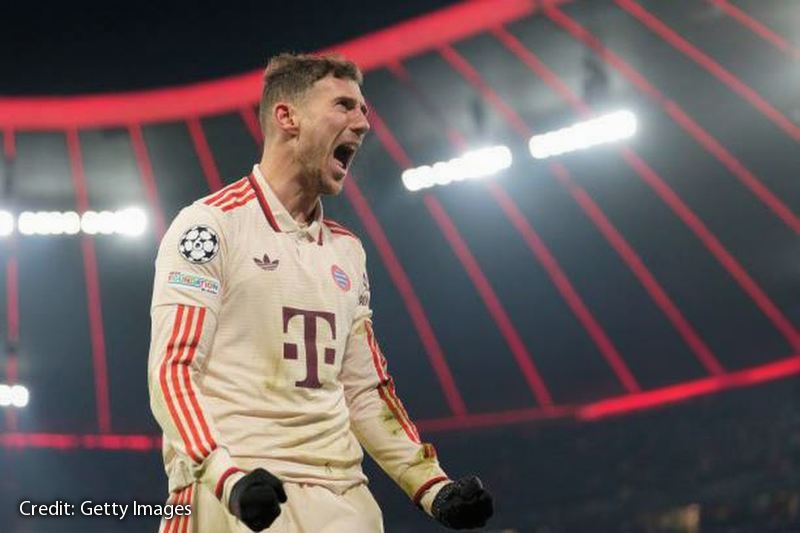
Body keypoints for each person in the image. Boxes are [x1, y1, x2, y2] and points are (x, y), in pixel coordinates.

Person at [148, 52, 494, 533]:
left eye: (364, 110)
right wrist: (225, 477)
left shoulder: (347, 251)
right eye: (344, 106)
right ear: (287, 117)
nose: (363, 123)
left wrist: (432, 486)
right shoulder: (210, 227)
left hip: (343, 497)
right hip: (239, 489)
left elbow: (364, 389)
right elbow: (174, 369)